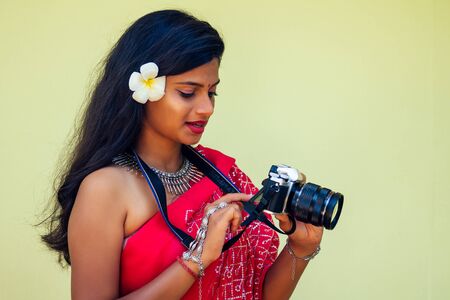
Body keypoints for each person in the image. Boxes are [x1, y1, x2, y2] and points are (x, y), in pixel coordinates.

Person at [40, 9, 323, 300]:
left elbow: (254, 294)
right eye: (188, 92)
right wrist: (197, 258)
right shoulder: (105, 189)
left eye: (212, 93)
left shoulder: (223, 174)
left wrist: (299, 248)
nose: (207, 108)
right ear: (143, 91)